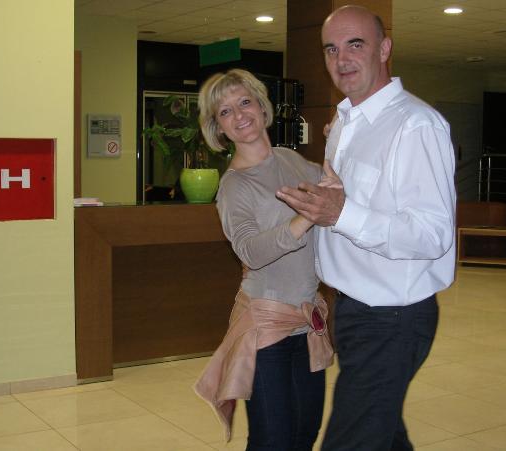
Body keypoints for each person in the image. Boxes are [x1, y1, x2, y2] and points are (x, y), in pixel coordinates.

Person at [277, 5, 457, 451]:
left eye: (355, 44)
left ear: (384, 49)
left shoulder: (415, 126)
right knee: (383, 435)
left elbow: (432, 234)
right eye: (331, 49)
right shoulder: (345, 121)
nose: (342, 59)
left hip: (392, 319)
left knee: (352, 440)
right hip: (353, 309)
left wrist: (342, 213)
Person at [193, 69, 334, 451]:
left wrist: (341, 141)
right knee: (273, 441)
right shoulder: (234, 185)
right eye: (225, 112)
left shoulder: (292, 161)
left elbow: (334, 190)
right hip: (265, 327)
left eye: (244, 102)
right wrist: (306, 217)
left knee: (304, 436)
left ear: (261, 106)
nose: (239, 115)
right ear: (218, 128)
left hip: (306, 322)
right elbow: (250, 251)